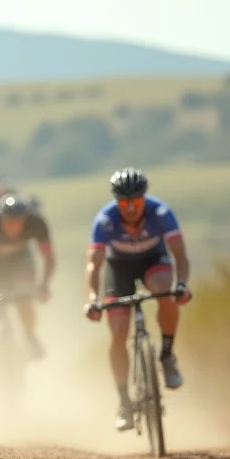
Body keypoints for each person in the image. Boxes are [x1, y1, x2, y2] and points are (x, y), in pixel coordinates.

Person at [83, 167, 192, 432]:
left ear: (145, 198)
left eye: (137, 201)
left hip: (153, 262)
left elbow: (180, 255)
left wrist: (182, 285)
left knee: (165, 292)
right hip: (118, 269)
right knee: (118, 331)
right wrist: (94, 299)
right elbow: (93, 266)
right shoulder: (105, 220)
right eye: (124, 202)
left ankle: (166, 356)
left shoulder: (161, 213)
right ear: (116, 201)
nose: (131, 207)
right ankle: (124, 403)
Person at [0, 194, 55, 362]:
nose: (14, 226)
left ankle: (30, 335)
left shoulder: (36, 223)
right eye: (9, 221)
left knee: (25, 298)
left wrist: (44, 285)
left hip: (20, 262)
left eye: (19, 221)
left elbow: (48, 257)